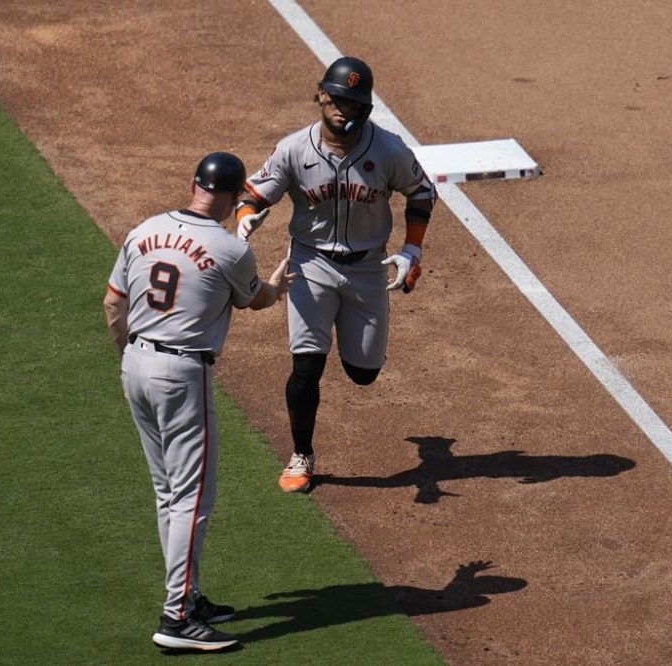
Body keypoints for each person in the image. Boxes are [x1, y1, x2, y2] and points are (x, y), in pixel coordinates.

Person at [103, 151, 294, 651]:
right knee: (193, 497)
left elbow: (112, 304)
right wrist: (275, 286)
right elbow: (253, 300)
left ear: (194, 185)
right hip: (182, 373)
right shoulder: (231, 250)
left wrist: (130, 358)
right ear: (235, 200)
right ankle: (177, 618)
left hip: (135, 364)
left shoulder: (142, 230)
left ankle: (188, 596)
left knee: (168, 491)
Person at [235, 56, 437, 493]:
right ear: (322, 95)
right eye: (338, 98)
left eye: (354, 101)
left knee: (363, 374)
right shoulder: (294, 149)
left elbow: (421, 191)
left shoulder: (388, 150)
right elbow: (253, 194)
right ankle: (301, 454)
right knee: (307, 365)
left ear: (365, 107)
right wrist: (247, 216)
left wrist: (412, 250)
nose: (344, 108)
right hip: (310, 265)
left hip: (368, 269)